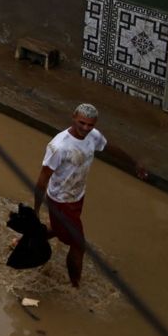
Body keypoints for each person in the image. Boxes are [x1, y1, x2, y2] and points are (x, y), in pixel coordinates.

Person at [33, 103, 146, 288]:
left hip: (77, 196)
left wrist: (134, 163)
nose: (85, 128)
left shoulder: (93, 136)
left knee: (61, 230)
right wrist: (35, 210)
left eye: (90, 125)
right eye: (82, 123)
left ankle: (28, 238)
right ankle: (75, 286)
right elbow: (42, 180)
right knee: (78, 245)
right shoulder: (59, 146)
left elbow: (109, 147)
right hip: (60, 201)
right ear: (73, 117)